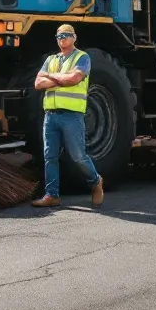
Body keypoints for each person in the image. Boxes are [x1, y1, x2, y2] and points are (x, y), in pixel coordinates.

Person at [31, 24, 104, 208]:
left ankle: (95, 181)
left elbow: (74, 79)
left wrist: (52, 77)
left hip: (72, 115)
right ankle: (52, 195)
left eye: (66, 35)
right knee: (50, 156)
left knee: (78, 155)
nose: (62, 38)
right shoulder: (51, 59)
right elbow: (38, 84)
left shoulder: (82, 57)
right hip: (51, 115)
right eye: (59, 36)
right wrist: (61, 78)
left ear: (74, 37)